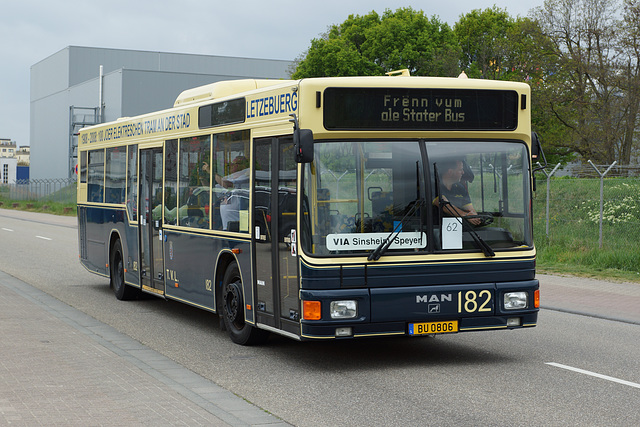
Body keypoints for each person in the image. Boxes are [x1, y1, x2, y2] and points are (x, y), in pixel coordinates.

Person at [433, 158, 482, 226]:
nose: (463, 172)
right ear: (450, 172)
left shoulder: (460, 188)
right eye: (460, 170)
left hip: (460, 230)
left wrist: (475, 218)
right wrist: (465, 215)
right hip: (436, 230)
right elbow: (445, 206)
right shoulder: (434, 186)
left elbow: (470, 209)